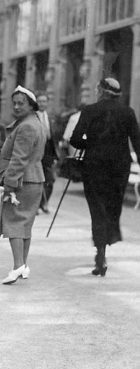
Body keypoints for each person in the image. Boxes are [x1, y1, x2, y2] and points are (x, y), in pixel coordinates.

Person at [70, 78, 140, 276]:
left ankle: (100, 251)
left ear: (101, 91)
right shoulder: (128, 112)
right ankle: (106, 243)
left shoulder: (89, 110)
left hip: (94, 167)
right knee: (112, 208)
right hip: (120, 169)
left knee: (97, 209)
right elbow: (137, 142)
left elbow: (75, 140)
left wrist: (91, 142)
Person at [0, 86, 46, 285]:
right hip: (34, 178)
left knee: (14, 222)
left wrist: (9, 184)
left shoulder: (26, 126)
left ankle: (18, 265)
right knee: (25, 224)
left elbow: (19, 158)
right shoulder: (35, 122)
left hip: (22, 180)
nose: (17, 107)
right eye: (15, 103)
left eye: (21, 103)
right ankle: (23, 265)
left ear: (31, 105)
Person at [36, 92, 58, 213]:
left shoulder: (50, 118)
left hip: (48, 153)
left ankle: (44, 203)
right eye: (39, 101)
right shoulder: (32, 117)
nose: (42, 104)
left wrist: (55, 155)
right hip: (35, 153)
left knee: (50, 180)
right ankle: (36, 205)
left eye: (44, 101)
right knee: (36, 180)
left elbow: (54, 138)